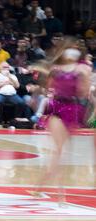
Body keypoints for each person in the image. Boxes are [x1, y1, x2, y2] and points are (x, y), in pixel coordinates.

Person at [30, 38, 92, 205]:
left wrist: (82, 78)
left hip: (73, 109)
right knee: (58, 150)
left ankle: (41, 186)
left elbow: (83, 92)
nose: (72, 51)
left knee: (61, 151)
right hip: (56, 106)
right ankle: (59, 191)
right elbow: (47, 86)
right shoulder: (56, 68)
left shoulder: (84, 68)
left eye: (76, 48)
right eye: (69, 48)